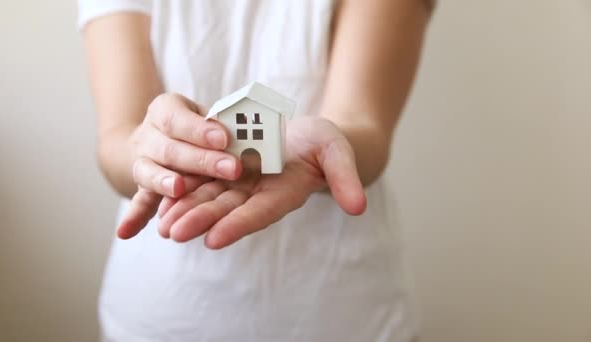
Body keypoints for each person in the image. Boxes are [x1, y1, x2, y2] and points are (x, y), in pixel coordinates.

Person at [79, 0, 434, 340]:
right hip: (159, 312)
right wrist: (153, 154)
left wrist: (323, 147)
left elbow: (365, 127)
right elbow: (118, 141)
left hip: (343, 311)